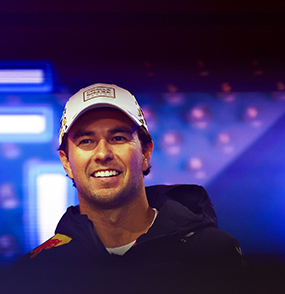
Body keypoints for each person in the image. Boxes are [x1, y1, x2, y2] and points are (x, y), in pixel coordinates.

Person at [16, 83, 244, 271]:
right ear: (66, 162)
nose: (103, 154)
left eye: (117, 138)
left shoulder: (213, 253)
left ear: (145, 152)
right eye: (86, 141)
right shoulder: (35, 272)